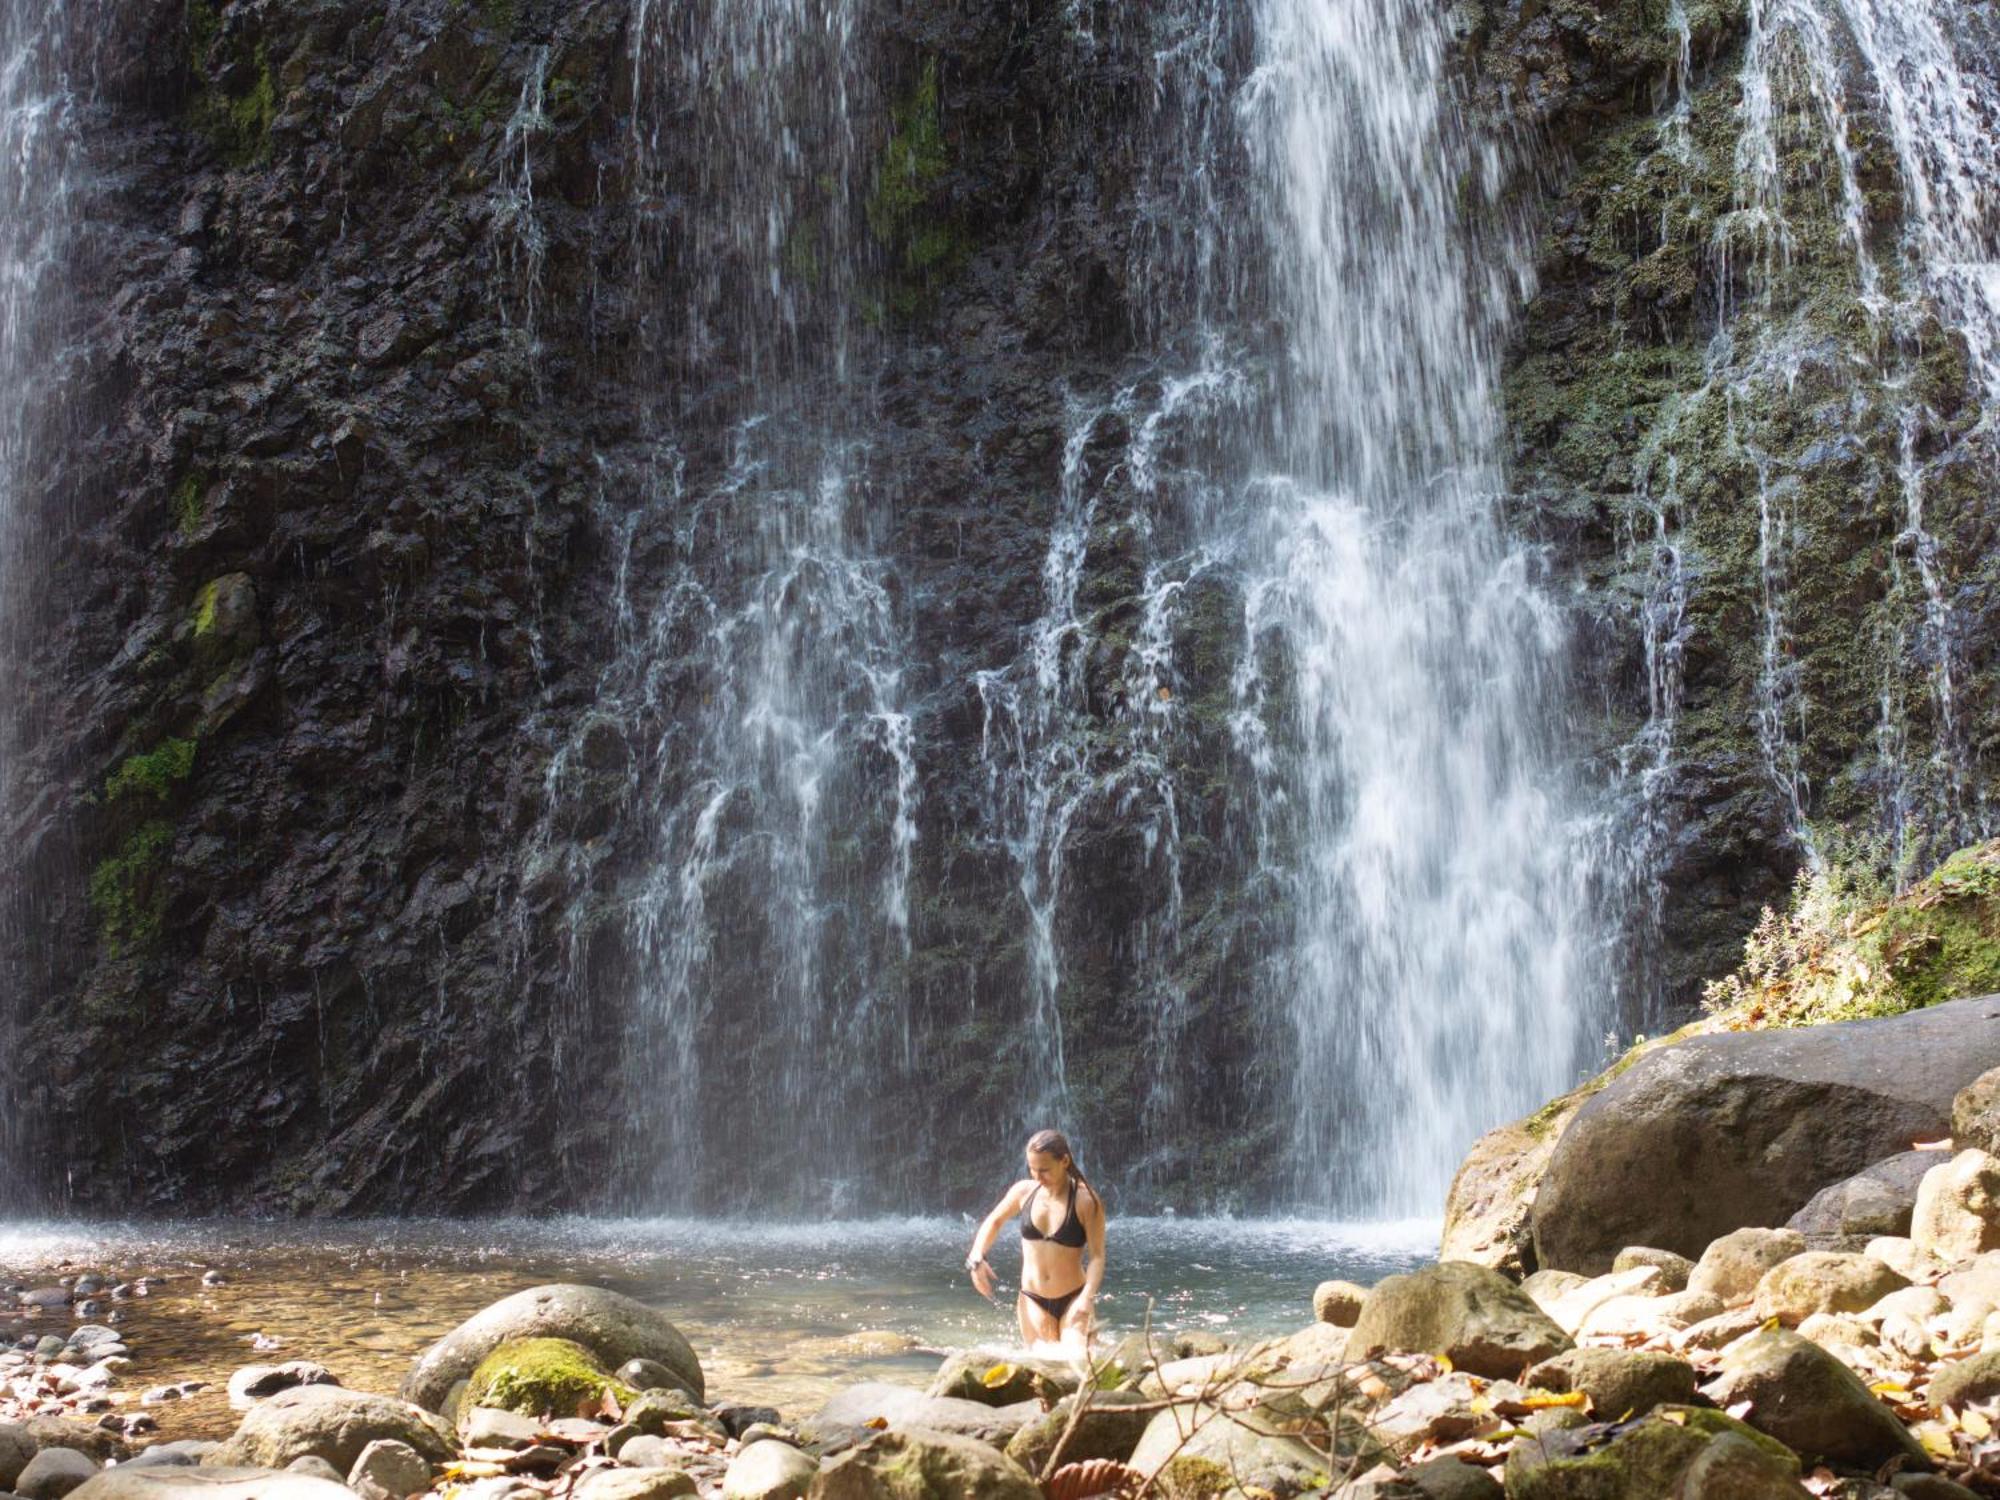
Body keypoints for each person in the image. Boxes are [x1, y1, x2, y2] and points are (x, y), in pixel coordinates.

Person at [963, 1128, 1106, 1352]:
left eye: (1045, 1170)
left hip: (1074, 1297)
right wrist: (976, 1258)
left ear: (1065, 1161)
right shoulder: (1023, 1192)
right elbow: (993, 1222)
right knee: (1043, 1367)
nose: (1037, 1176)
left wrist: (1087, 1297)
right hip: (1033, 1299)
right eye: (1032, 1169)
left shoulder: (1086, 1201)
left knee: (1076, 1361)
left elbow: (1097, 1256)